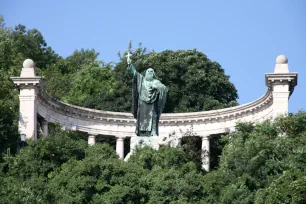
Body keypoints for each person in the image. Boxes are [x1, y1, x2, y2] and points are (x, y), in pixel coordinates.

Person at [127, 57, 167, 136]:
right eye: (148, 71)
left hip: (153, 104)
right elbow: (134, 72)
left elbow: (164, 88)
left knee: (154, 117)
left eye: (151, 71)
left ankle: (153, 132)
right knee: (141, 118)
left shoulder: (156, 82)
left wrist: (156, 87)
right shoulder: (141, 79)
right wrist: (129, 64)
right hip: (142, 103)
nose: (149, 72)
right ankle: (141, 133)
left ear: (153, 74)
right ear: (146, 73)